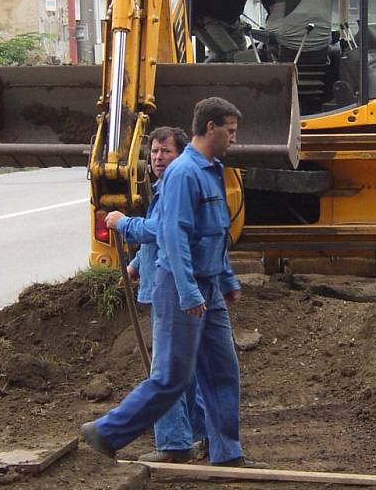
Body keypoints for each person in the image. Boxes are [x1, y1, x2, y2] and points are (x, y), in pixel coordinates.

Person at [82, 97, 265, 468]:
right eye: (230, 132)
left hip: (208, 286)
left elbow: (216, 233)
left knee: (222, 373)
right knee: (171, 378)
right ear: (210, 128)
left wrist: (227, 279)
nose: (233, 139)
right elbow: (173, 235)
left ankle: (227, 453)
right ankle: (105, 433)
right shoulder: (183, 174)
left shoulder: (212, 168)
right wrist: (188, 292)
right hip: (180, 286)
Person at [104, 126, 207, 463]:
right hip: (166, 283)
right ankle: (199, 433)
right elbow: (161, 234)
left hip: (173, 288)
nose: (159, 158)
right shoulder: (166, 187)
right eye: (155, 152)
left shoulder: (176, 184)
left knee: (164, 372)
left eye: (166, 151)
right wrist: (136, 264)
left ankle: (174, 443)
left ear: (181, 155)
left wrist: (123, 223)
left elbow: (157, 230)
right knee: (183, 371)